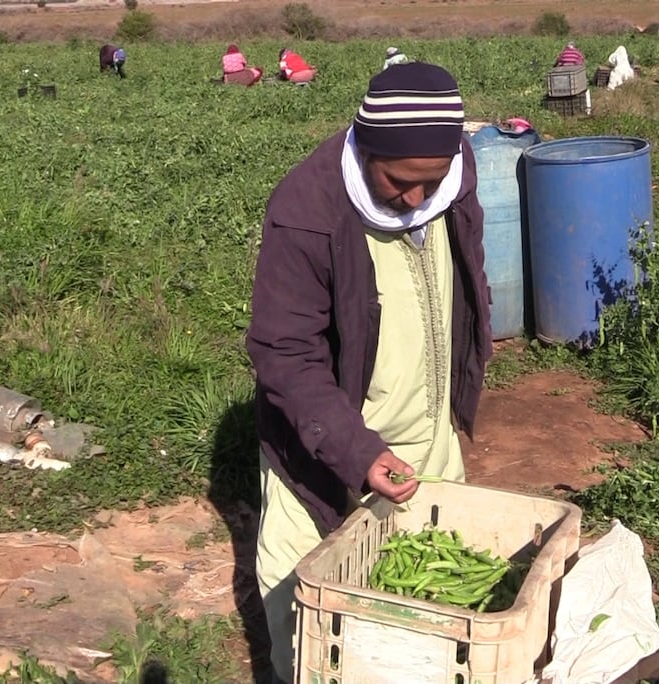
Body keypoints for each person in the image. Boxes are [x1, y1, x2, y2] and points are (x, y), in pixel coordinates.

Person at [246, 62, 491, 684]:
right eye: (397, 182)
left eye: (429, 183)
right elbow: (286, 352)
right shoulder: (307, 208)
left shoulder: (449, 169)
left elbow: (468, 274)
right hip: (327, 445)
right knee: (308, 613)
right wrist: (355, 452)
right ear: (366, 149)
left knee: (432, 615)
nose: (414, 198)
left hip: (427, 432)